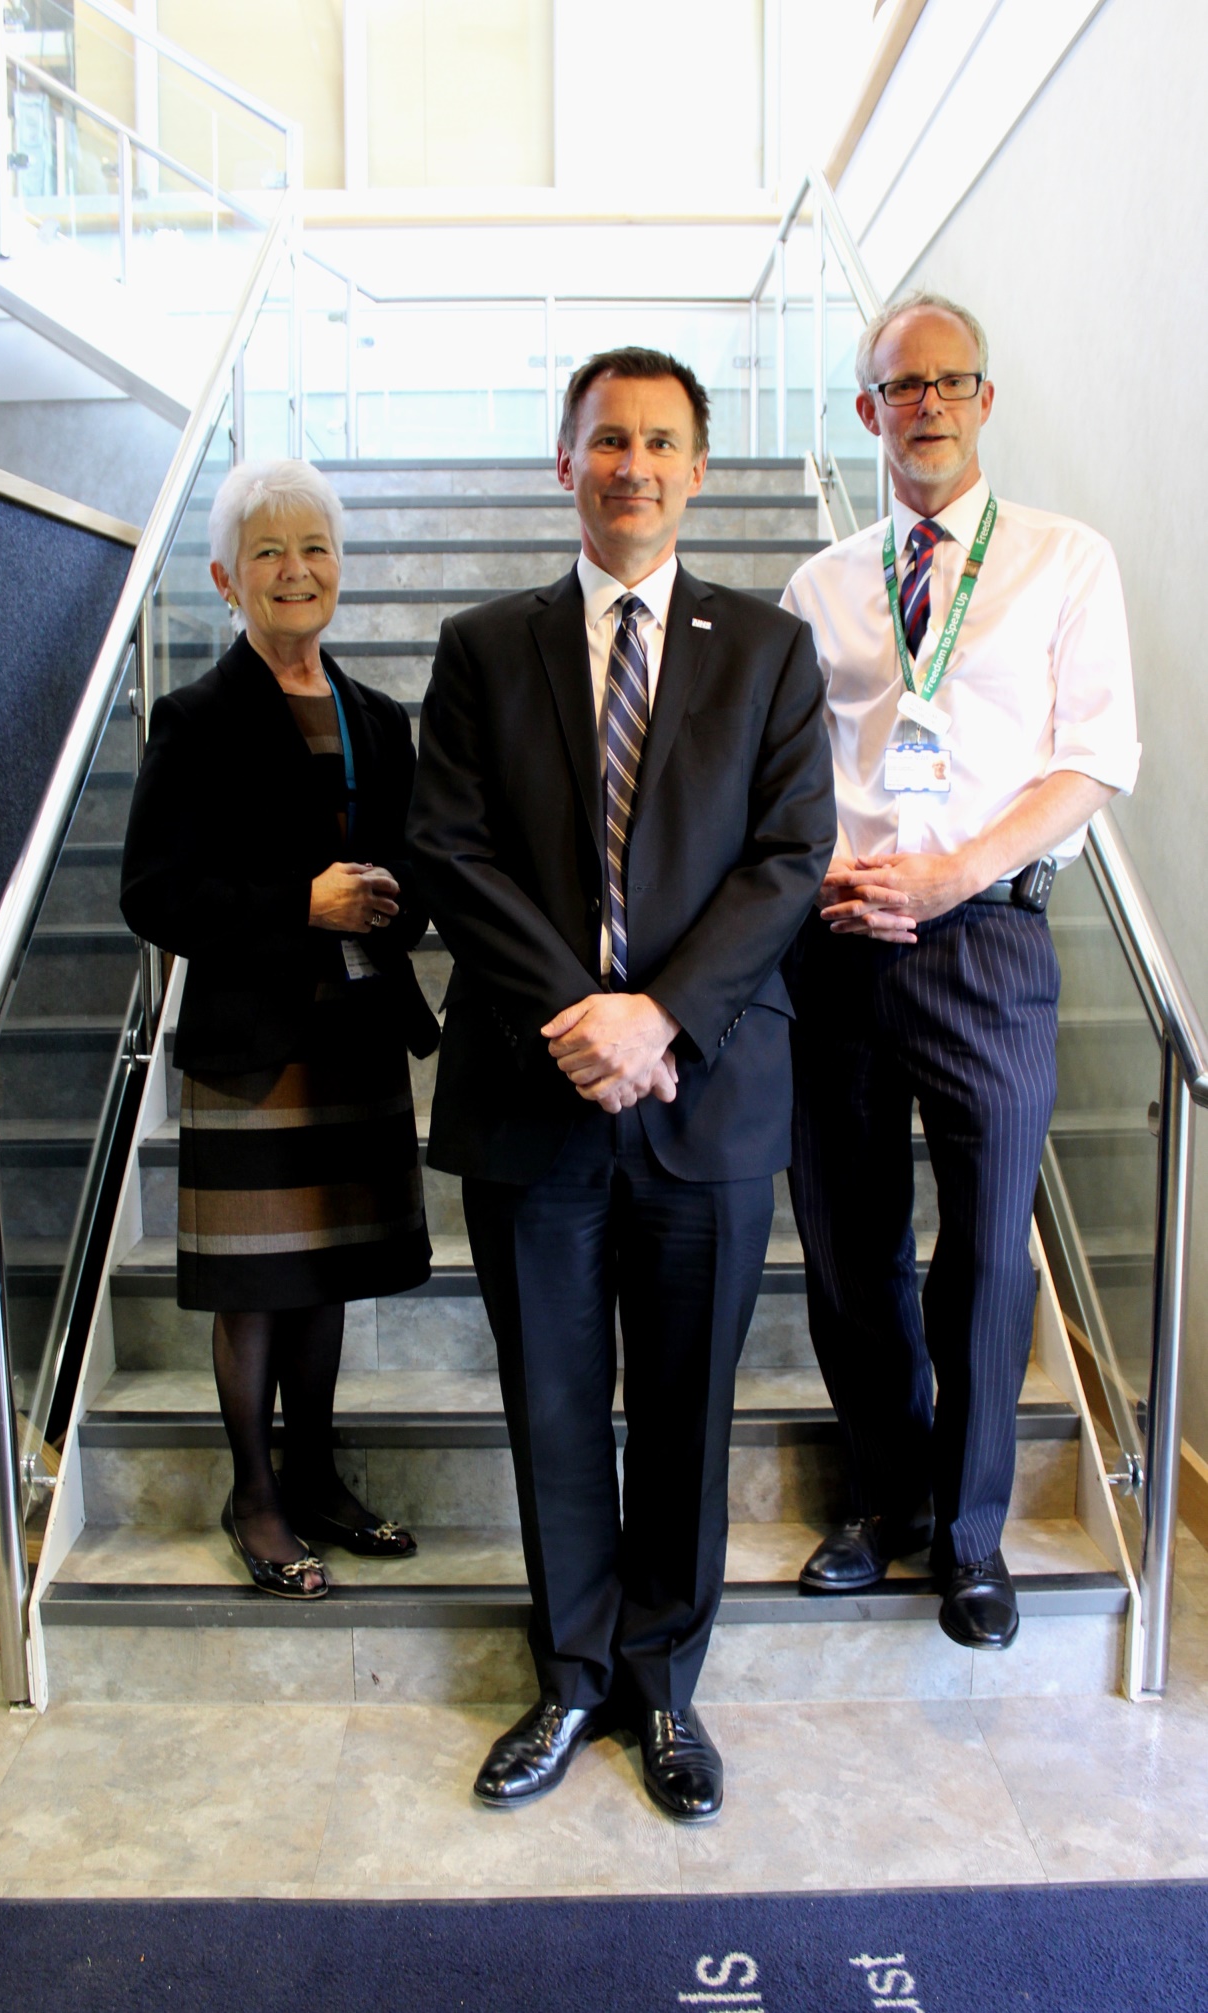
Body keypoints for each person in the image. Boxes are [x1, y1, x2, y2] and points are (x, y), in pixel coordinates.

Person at [408, 347, 835, 1819]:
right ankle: (573, 1671)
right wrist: (583, 1011)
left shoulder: (770, 651)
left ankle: (664, 1685)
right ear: (565, 462)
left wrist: (660, 1016)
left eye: (660, 441)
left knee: (687, 1409)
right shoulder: (482, 645)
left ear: (699, 468)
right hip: (533, 1092)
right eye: (606, 440)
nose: (632, 463)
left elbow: (790, 857)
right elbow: (449, 851)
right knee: (552, 1398)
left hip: (703, 1094)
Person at [781, 291, 1141, 1650]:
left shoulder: (1063, 560)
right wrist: (816, 871)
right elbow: (783, 772)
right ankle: (889, 1507)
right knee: (848, 1246)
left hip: (986, 941)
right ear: (866, 411)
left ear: (985, 400)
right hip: (834, 945)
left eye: (951, 381)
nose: (925, 403)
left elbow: (1094, 761)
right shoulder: (820, 584)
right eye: (899, 385)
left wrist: (952, 871)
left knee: (987, 1254)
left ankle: (974, 1536)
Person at [121, 459, 438, 1600]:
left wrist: (402, 893)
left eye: (314, 549)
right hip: (253, 1047)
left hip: (353, 1030)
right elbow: (153, 893)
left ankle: (315, 1475)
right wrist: (300, 904)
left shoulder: (378, 718)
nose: (296, 570)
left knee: (329, 1276)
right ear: (224, 578)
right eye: (268, 552)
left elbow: (416, 862)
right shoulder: (197, 719)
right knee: (258, 1285)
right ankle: (253, 1492)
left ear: (339, 569)